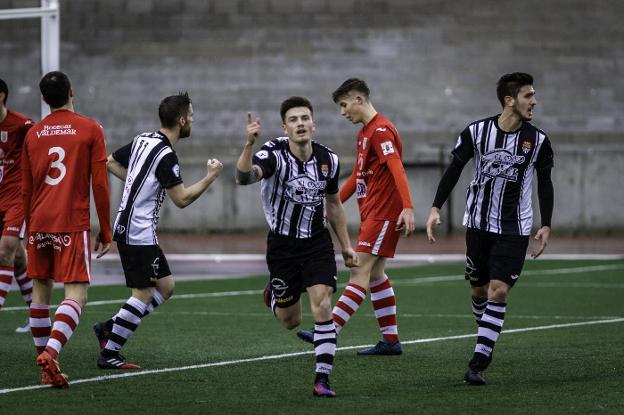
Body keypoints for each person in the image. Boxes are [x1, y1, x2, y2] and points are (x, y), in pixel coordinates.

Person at [425, 72, 554, 385]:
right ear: (509, 100)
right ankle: (486, 332)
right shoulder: (476, 132)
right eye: (528, 96)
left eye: (533, 95)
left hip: (514, 229)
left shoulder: (537, 141)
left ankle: (479, 359)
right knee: (479, 290)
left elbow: (545, 183)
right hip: (478, 225)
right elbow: (454, 169)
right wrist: (435, 208)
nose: (534, 101)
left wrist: (546, 224)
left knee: (498, 291)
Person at [235, 96, 359, 397]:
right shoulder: (272, 154)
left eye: (305, 118)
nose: (300, 124)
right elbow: (243, 177)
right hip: (283, 245)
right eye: (294, 120)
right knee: (291, 321)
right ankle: (275, 297)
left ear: (313, 124)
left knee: (323, 301)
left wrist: (346, 246)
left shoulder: (328, 159)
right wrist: (249, 144)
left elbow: (334, 205)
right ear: (285, 127)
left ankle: (322, 379)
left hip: (317, 242)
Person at [93, 92, 223, 370]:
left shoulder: (143, 139)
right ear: (181, 119)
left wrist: (138, 181)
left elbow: (110, 161)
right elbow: (182, 199)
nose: (193, 120)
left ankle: (110, 327)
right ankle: (110, 352)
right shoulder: (166, 155)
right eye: (191, 115)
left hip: (132, 228)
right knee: (144, 293)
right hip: (138, 232)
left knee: (166, 286)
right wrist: (210, 177)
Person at [297, 78, 415, 355]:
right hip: (373, 212)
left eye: (344, 104)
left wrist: (408, 207)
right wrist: (328, 204)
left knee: (358, 270)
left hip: (383, 214)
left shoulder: (382, 131)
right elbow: (357, 179)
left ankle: (327, 331)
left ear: (359, 99)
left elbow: (397, 169)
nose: (342, 111)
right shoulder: (365, 133)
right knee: (375, 274)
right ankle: (390, 341)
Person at [22, 71, 112, 388]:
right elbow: (99, 184)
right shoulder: (90, 129)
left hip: (38, 221)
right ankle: (51, 353)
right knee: (77, 294)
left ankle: (46, 366)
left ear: (45, 100)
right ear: (71, 92)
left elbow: (26, 188)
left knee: (40, 291)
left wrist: (27, 229)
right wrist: (106, 228)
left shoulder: (33, 134)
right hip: (70, 221)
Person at [0, 78, 34, 332]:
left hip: (15, 198)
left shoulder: (22, 125)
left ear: (1, 96)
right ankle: (37, 312)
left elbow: (40, 149)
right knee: (19, 258)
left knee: (5, 250)